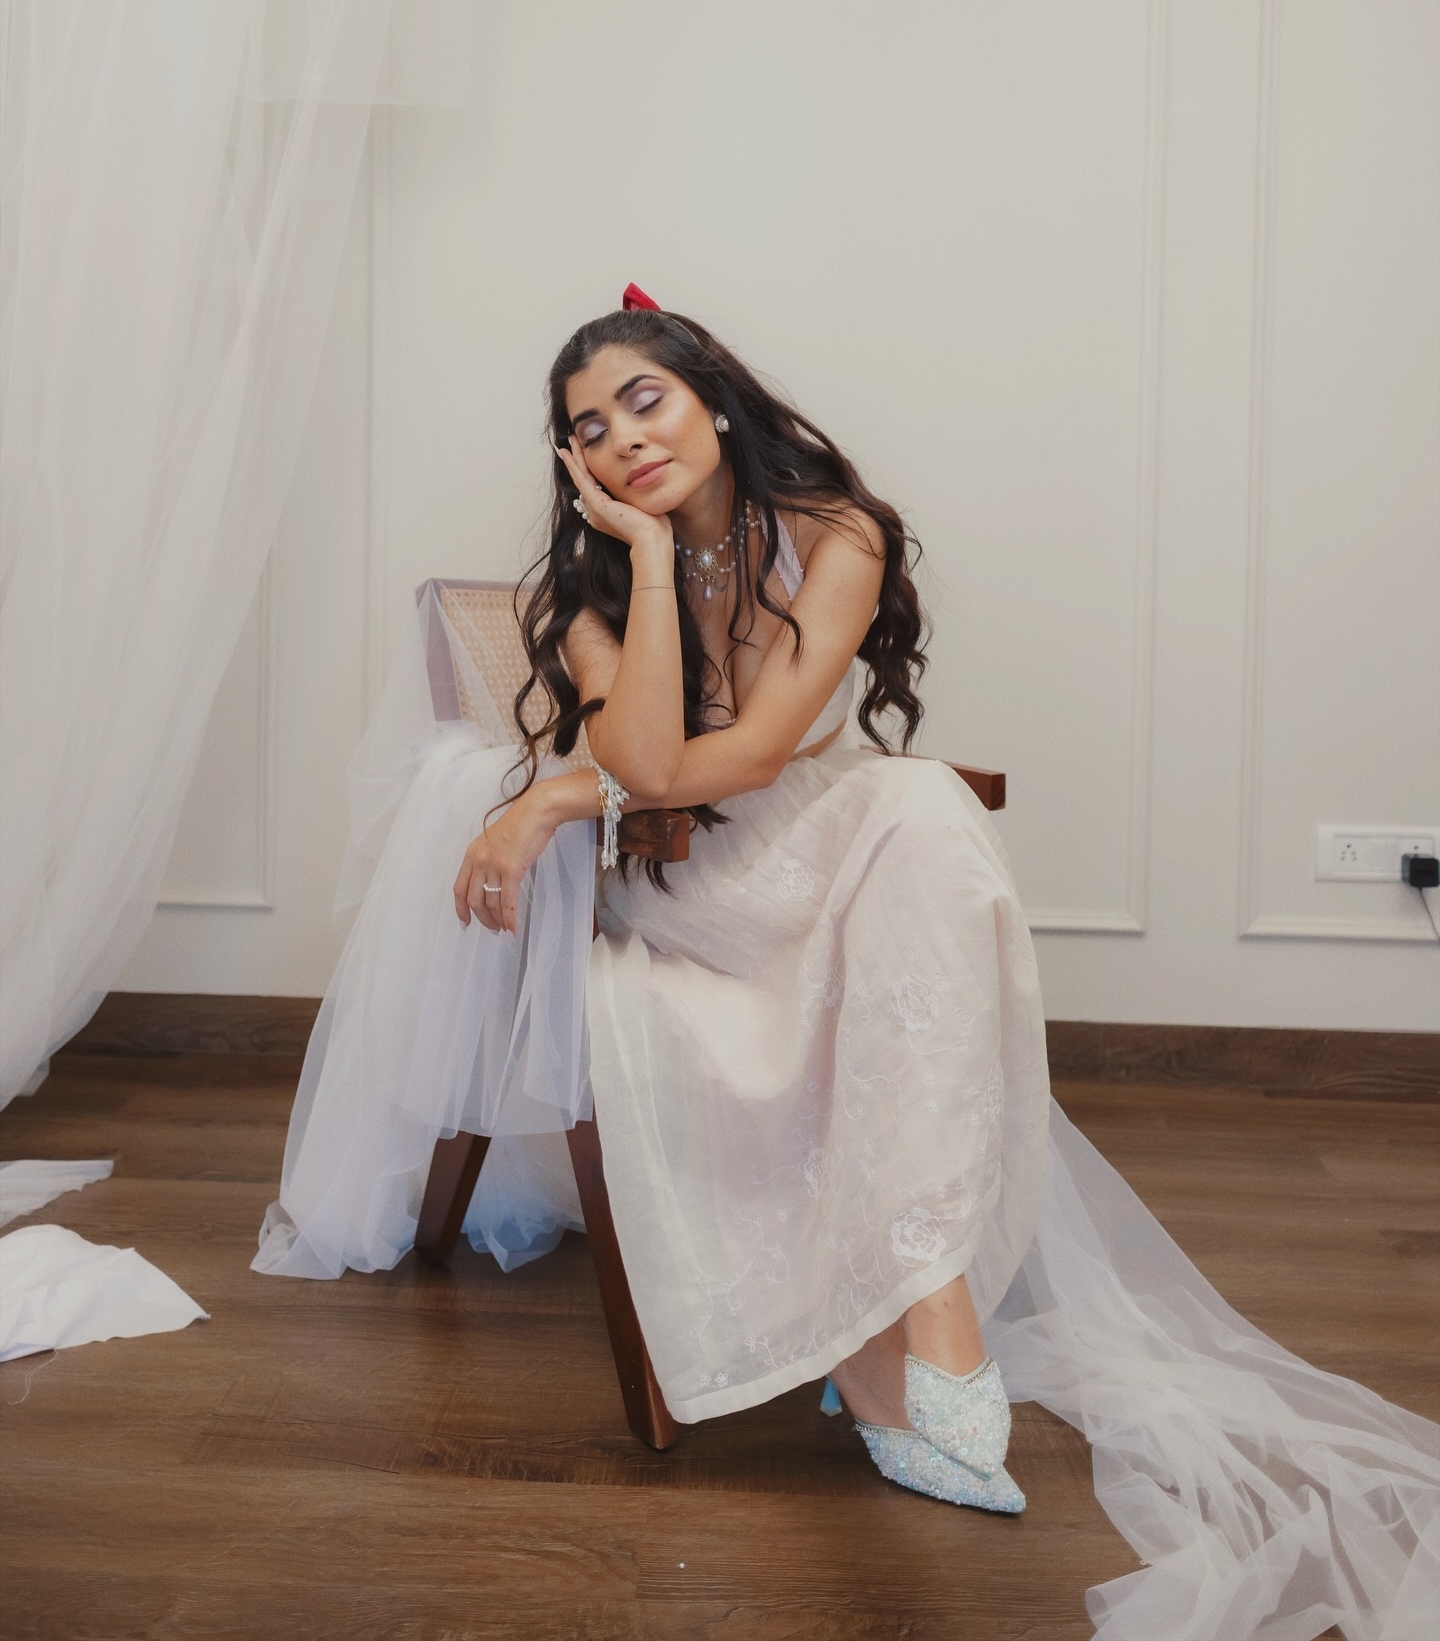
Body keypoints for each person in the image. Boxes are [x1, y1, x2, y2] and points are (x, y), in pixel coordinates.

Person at [256, 287, 1438, 1637]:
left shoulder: (836, 537)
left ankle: (925, 1295)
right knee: (900, 848)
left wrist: (557, 793)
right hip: (678, 884)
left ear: (712, 400)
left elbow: (760, 754)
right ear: (575, 467)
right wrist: (645, 568)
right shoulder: (591, 597)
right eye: (589, 430)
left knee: (919, 807)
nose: (624, 438)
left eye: (646, 400)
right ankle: (896, 1337)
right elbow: (651, 767)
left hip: (803, 838)